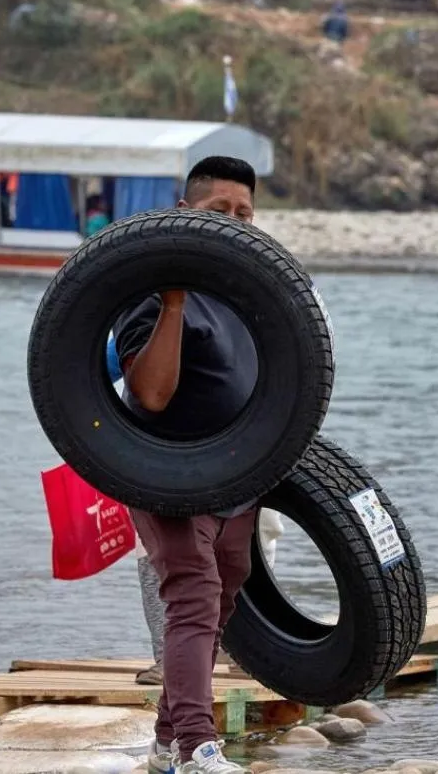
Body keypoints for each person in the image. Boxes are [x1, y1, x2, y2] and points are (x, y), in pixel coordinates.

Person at [113, 155, 259, 774]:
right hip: (163, 468)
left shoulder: (251, 294)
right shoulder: (147, 291)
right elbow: (149, 393)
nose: (233, 222)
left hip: (236, 473)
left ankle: (166, 740)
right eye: (217, 210)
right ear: (183, 214)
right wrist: (174, 301)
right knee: (193, 595)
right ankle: (199, 746)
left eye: (245, 213)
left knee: (226, 586)